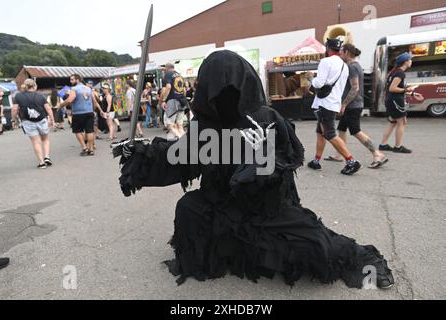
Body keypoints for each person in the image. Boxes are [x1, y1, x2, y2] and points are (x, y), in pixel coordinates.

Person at [116, 50, 394, 290]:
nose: (220, 95)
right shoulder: (205, 124)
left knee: (314, 243)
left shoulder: (265, 119)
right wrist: (141, 154)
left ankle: (363, 259)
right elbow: (181, 157)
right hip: (221, 201)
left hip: (265, 207)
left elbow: (287, 157)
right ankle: (217, 257)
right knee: (189, 207)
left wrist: (260, 167)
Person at [326, 44, 388, 169]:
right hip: (352, 105)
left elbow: (355, 88)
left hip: (352, 106)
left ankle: (377, 154)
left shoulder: (352, 67)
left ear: (347, 52)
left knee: (356, 131)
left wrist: (343, 104)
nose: (340, 55)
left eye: (341, 53)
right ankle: (339, 154)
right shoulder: (355, 66)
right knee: (342, 129)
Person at [306, 38, 362, 176]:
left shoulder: (325, 62)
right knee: (320, 132)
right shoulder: (344, 66)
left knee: (329, 134)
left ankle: (351, 161)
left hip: (324, 104)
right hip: (333, 104)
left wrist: (310, 78)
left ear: (328, 48)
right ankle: (316, 161)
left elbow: (319, 83)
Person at [379, 52, 424, 154]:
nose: (411, 61)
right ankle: (398, 147)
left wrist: (412, 93)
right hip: (395, 101)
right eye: (410, 60)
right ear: (405, 62)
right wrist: (406, 90)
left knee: (393, 122)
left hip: (392, 100)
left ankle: (383, 144)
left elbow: (395, 88)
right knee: (402, 122)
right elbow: (392, 88)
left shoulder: (395, 72)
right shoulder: (400, 73)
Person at [11, 79, 55, 169]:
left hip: (28, 121)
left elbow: (14, 109)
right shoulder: (41, 95)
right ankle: (47, 157)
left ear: (25, 86)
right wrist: (52, 119)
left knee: (36, 142)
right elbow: (48, 108)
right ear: (35, 86)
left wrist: (13, 120)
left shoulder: (18, 96)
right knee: (45, 139)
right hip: (42, 120)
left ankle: (41, 163)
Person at [58, 74, 100, 156]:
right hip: (89, 112)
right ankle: (91, 149)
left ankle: (84, 148)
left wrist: (61, 105)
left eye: (72, 79)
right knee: (89, 131)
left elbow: (70, 100)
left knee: (78, 131)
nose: (71, 81)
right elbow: (94, 101)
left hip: (78, 113)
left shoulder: (74, 89)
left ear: (77, 80)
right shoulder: (88, 88)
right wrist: (93, 110)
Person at [161, 63, 188, 139]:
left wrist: (163, 100)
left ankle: (180, 138)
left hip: (172, 102)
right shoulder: (179, 75)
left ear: (167, 68)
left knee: (169, 124)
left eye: (165, 68)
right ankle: (185, 141)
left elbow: (168, 87)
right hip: (182, 101)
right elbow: (184, 90)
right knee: (180, 125)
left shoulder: (168, 74)